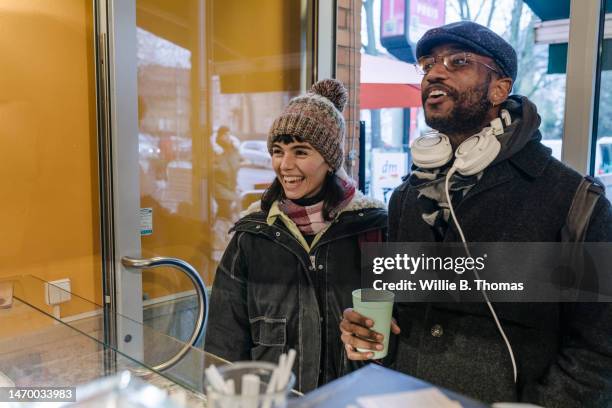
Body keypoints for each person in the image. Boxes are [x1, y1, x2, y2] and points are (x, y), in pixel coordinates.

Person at [339, 21, 612, 406]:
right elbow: (392, 310)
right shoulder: (406, 196)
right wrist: (365, 333)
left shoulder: (576, 202)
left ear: (500, 87)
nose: (434, 72)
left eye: (458, 61)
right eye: (429, 63)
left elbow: (597, 352)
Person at [205, 79, 387, 392]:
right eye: (278, 151)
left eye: (300, 151)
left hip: (352, 398)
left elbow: (402, 331)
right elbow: (224, 341)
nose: (284, 165)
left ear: (330, 159)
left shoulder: (373, 229)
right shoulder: (252, 237)